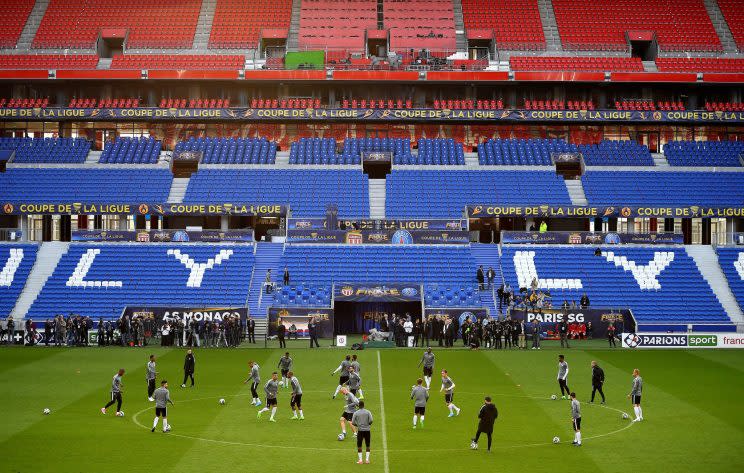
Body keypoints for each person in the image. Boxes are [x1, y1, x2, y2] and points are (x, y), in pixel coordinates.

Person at [351, 400, 373, 464]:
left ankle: (360, 460)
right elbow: (371, 420)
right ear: (364, 405)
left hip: (360, 431)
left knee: (359, 445)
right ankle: (367, 460)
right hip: (367, 430)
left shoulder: (356, 413)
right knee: (368, 445)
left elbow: (352, 422)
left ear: (358, 406)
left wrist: (357, 425)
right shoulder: (368, 412)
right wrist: (368, 424)